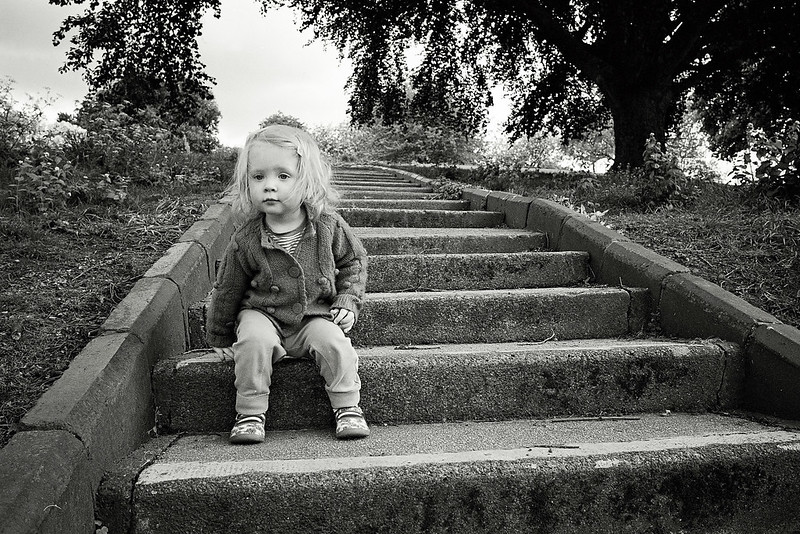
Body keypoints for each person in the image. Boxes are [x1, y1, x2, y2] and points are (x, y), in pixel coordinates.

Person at [206, 124, 369, 444]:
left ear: (305, 180)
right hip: (263, 313)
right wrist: (220, 334)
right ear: (247, 183)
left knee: (336, 344)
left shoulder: (328, 226)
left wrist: (347, 300)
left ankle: (348, 406)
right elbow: (228, 289)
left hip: (314, 316)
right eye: (259, 177)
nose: (269, 186)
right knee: (252, 340)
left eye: (283, 176)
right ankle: (250, 411)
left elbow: (354, 262)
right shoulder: (246, 238)